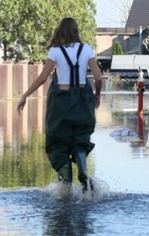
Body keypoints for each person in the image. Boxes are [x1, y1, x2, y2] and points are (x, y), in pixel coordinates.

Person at [16, 17, 102, 192]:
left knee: (58, 142)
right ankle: (83, 171)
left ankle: (65, 184)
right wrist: (97, 95)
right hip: (82, 101)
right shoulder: (87, 49)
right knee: (80, 139)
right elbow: (99, 78)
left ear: (60, 31)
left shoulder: (55, 51)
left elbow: (42, 78)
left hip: (61, 102)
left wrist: (25, 95)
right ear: (76, 31)